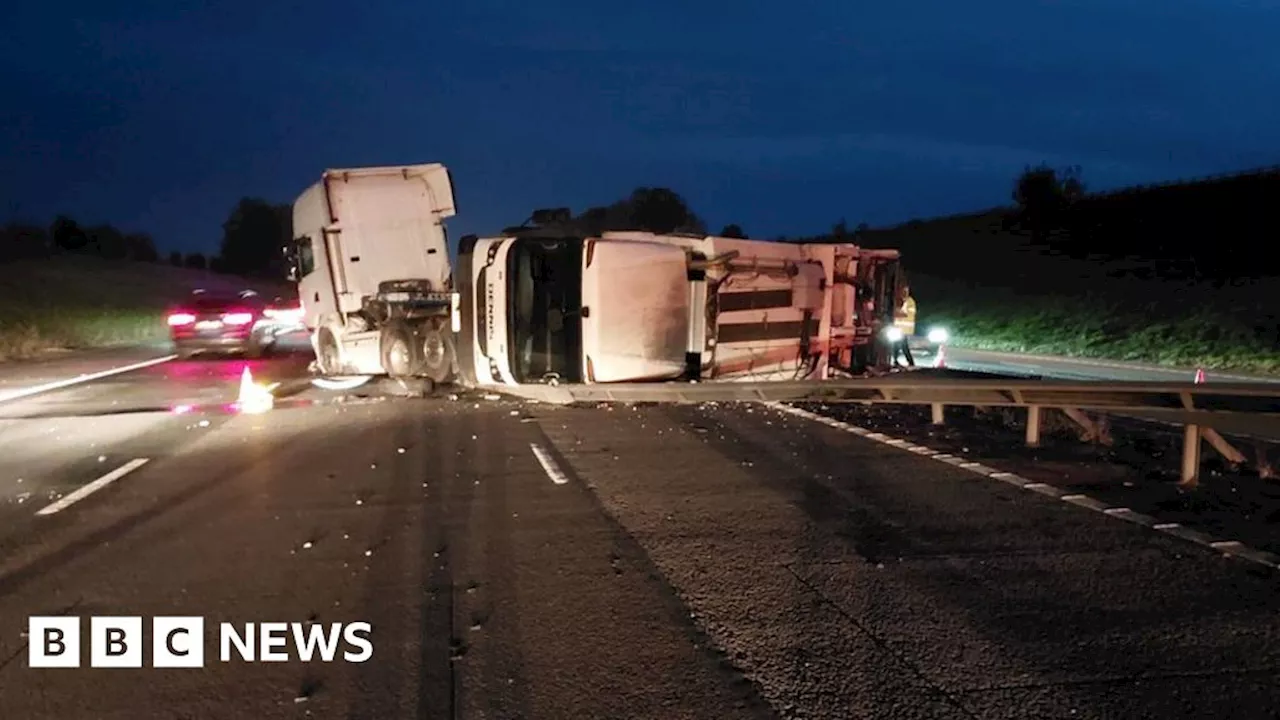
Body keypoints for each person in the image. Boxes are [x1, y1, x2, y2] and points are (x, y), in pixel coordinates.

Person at [892, 284, 916, 367]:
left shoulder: (909, 302)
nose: (903, 293)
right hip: (898, 328)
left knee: (902, 345)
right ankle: (897, 361)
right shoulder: (900, 301)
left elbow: (907, 314)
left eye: (905, 291)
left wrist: (896, 314)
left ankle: (910, 362)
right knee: (898, 344)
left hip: (904, 329)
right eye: (902, 291)